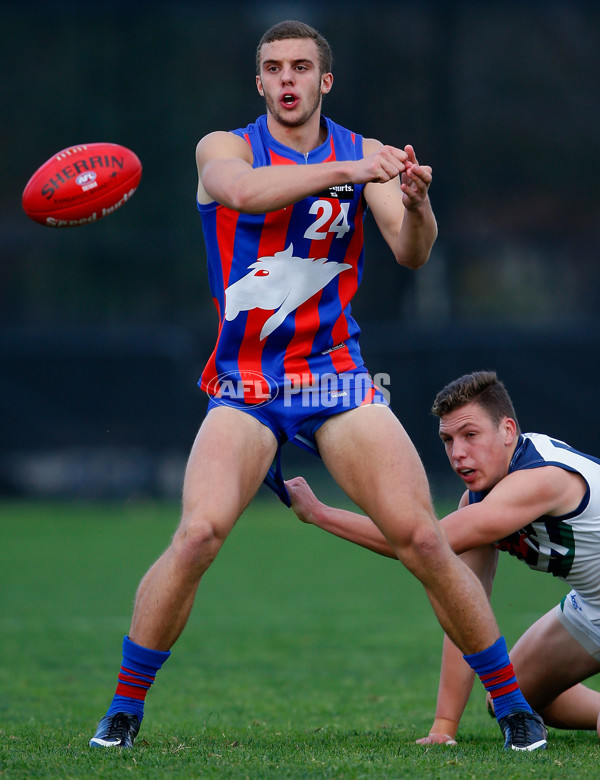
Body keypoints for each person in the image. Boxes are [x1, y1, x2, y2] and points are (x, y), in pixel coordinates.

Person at [89, 22, 545, 751]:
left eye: (303, 67)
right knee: (199, 533)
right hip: (245, 382)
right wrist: (350, 171)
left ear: (325, 81)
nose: (288, 79)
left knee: (424, 538)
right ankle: (124, 709)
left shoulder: (366, 156)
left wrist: (419, 201)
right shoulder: (226, 148)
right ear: (260, 83)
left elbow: (410, 251)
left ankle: (512, 706)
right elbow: (244, 193)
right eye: (274, 68)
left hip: (333, 376)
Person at [286, 370, 600, 745]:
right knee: (519, 697)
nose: (458, 453)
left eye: (470, 435)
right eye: (448, 440)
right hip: (590, 608)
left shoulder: (540, 479)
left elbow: (421, 542)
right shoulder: (479, 500)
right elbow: (464, 605)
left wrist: (320, 513)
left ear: (507, 431)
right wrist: (443, 728)